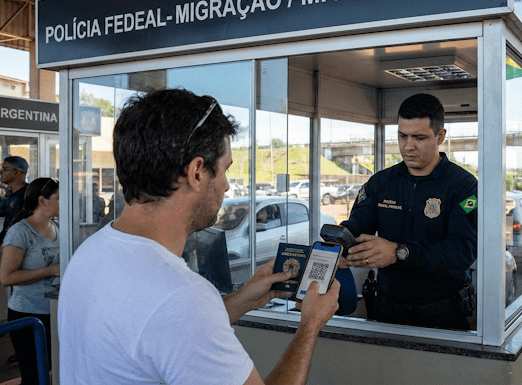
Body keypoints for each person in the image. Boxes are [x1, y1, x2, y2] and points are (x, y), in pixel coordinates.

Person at [58, 89, 340, 385]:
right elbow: (174, 316)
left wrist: (246, 298)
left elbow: (155, 330)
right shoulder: (181, 297)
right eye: (225, 170)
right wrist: (310, 324)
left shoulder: (90, 252)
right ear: (196, 172)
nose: (228, 186)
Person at [340, 93, 478, 330]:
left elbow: (462, 252)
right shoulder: (381, 183)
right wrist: (340, 246)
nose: (408, 146)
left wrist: (399, 252)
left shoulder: (463, 186)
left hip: (443, 315)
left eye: (419, 137)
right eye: (402, 136)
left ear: (440, 136)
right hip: (387, 313)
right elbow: (357, 226)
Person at [0, 177, 60, 384]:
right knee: (33, 375)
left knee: (51, 370)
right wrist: (50, 270)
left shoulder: (58, 227)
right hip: (28, 314)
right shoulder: (20, 232)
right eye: (59, 198)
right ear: (42, 201)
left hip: (52, 312)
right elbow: (7, 277)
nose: (64, 203)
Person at [0, 156, 30, 245]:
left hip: (19, 245)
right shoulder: (9, 192)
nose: (1, 173)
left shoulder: (29, 194)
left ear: (16, 172)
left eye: (4, 169)